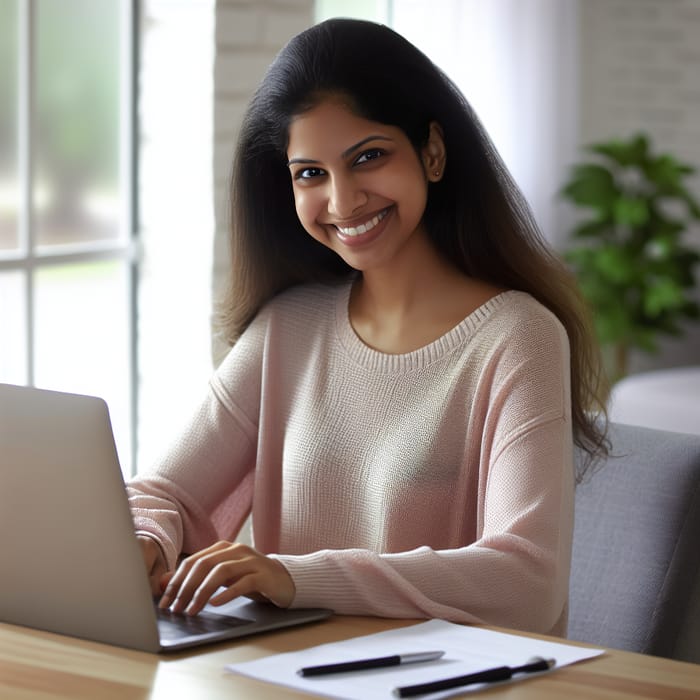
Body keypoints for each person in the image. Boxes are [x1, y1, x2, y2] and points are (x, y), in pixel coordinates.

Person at [127, 17, 608, 637]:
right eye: (310, 173)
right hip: (295, 677)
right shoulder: (287, 329)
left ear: (431, 152)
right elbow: (161, 493)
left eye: (369, 157)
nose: (343, 200)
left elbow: (526, 582)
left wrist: (297, 577)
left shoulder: (519, 338)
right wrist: (147, 543)